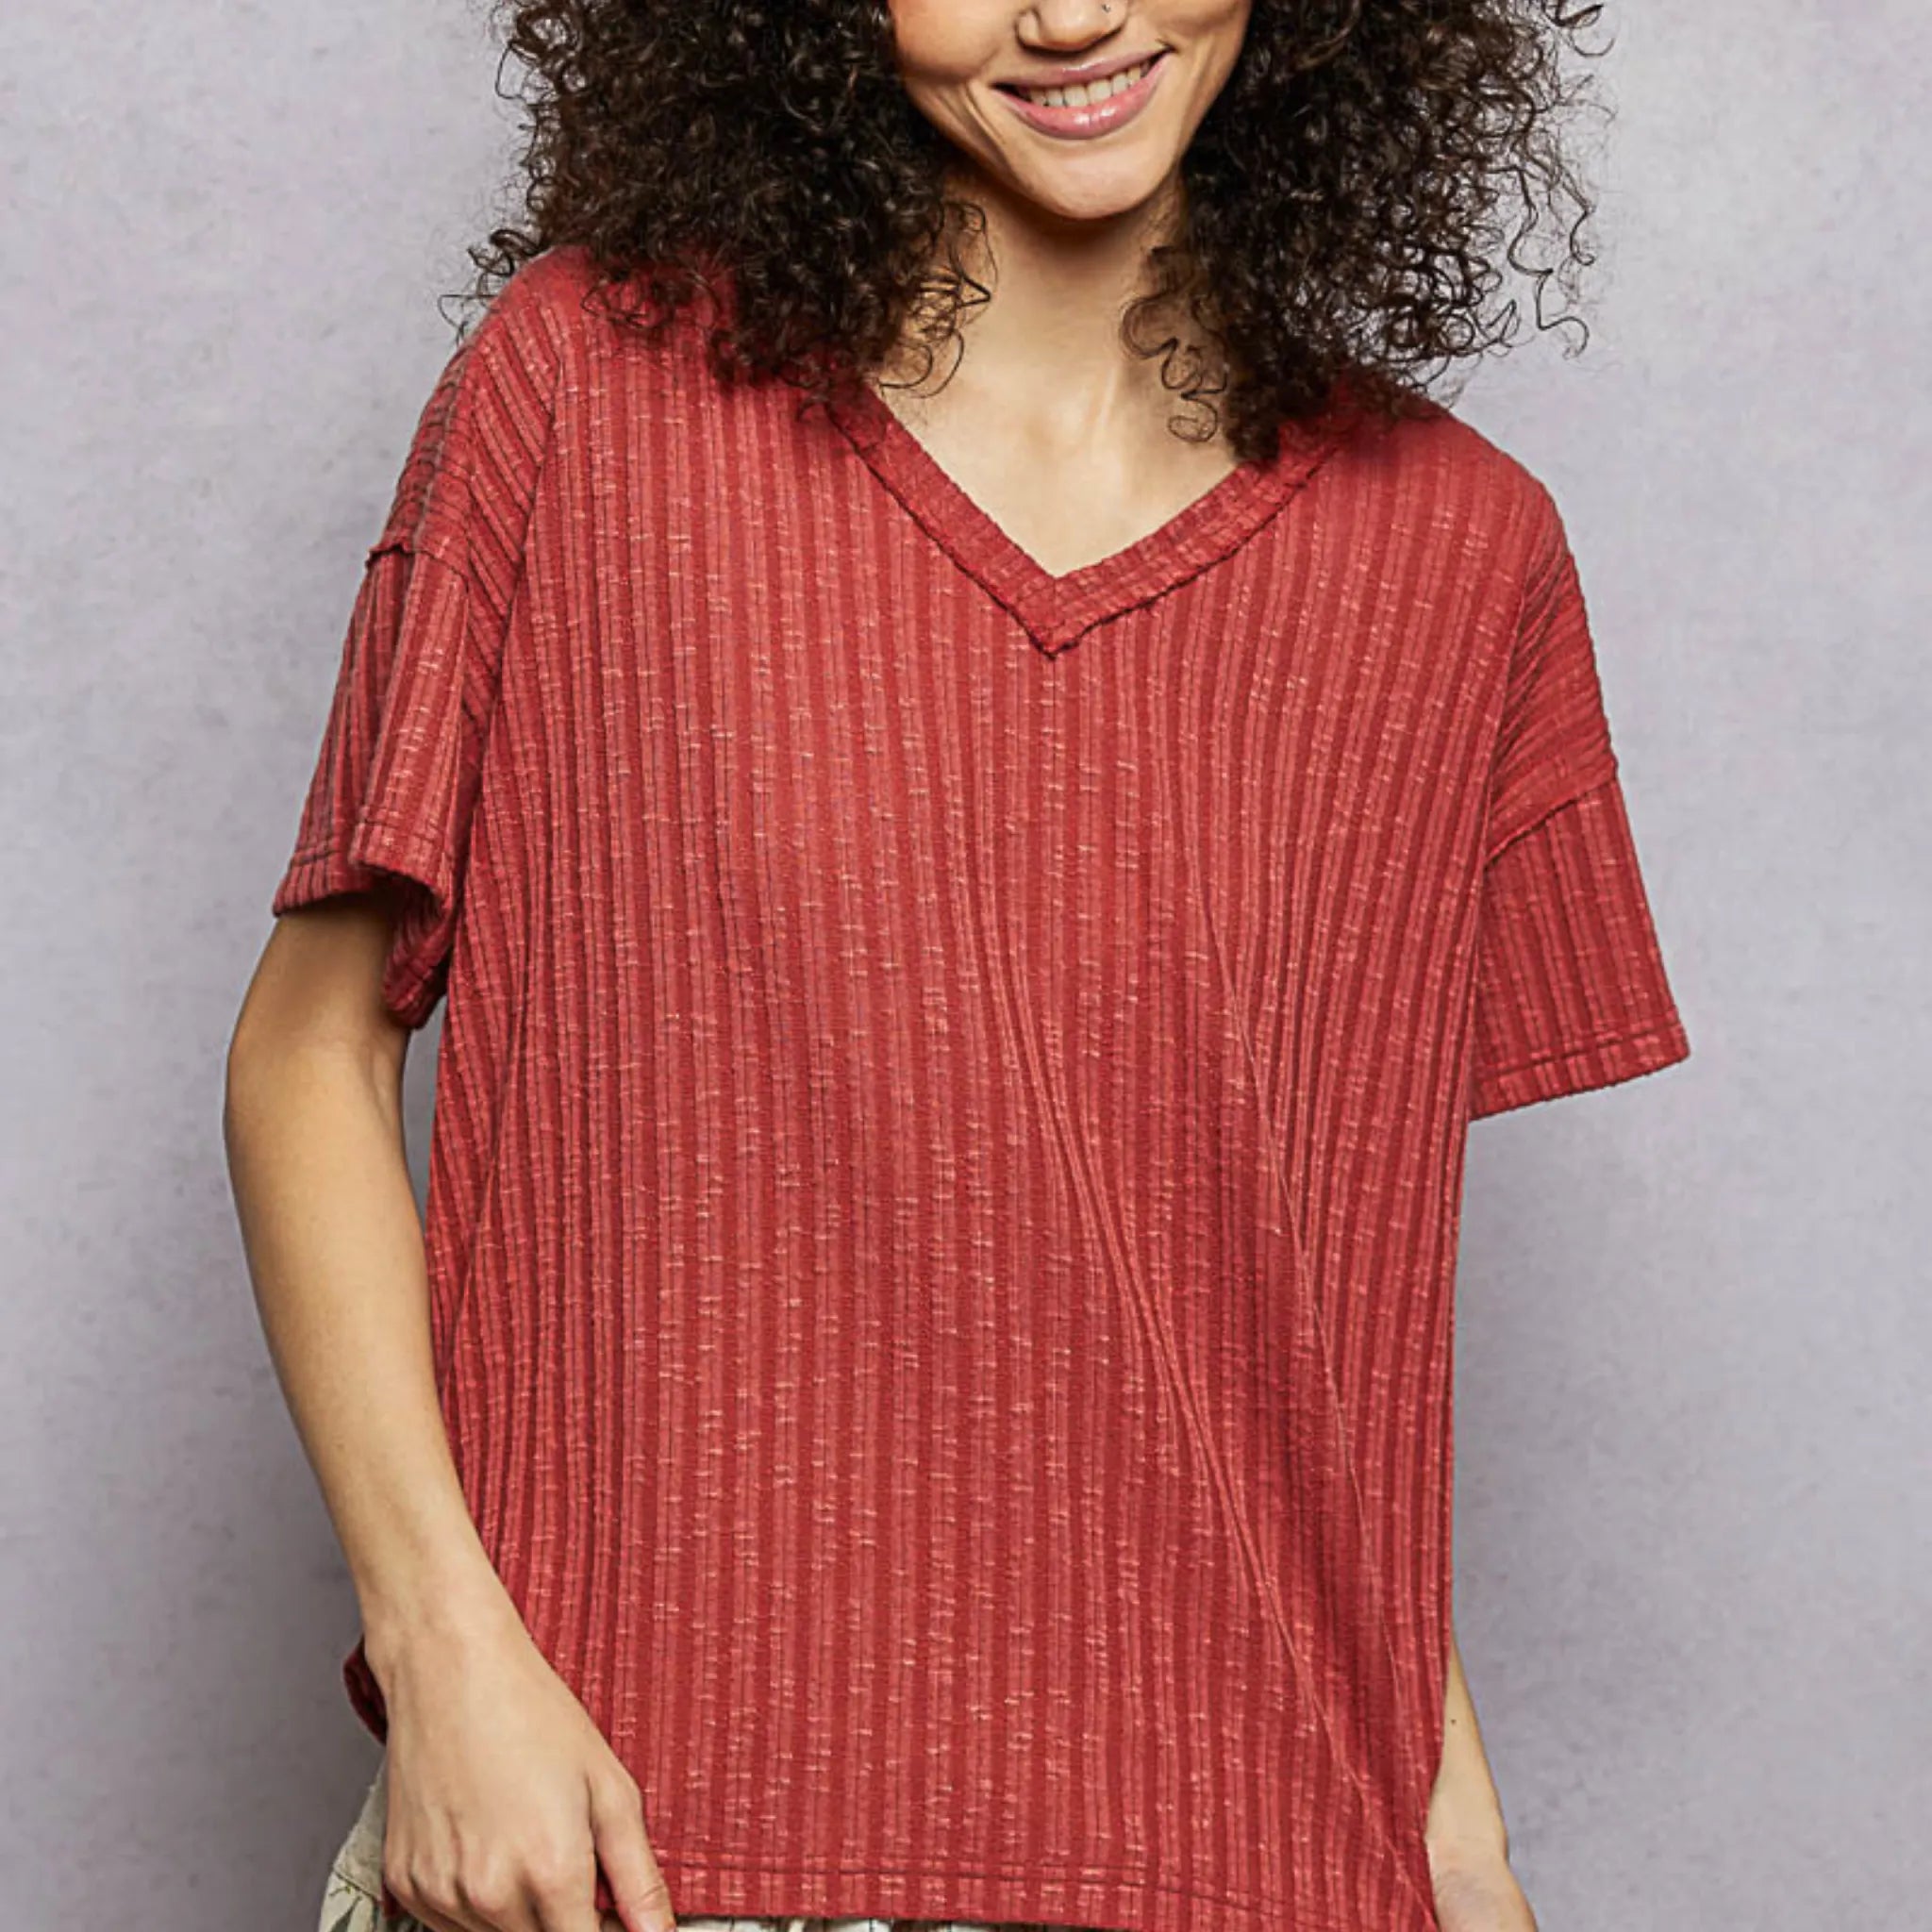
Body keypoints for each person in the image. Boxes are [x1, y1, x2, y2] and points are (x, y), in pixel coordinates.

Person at [224, 3, 1691, 1931]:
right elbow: (306, 1057)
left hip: (1251, 1870)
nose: (1073, 13)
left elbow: (1301, 1342)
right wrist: (441, 1658)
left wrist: (1460, 1860)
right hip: (628, 1850)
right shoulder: (577, 396)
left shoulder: (1456, 558)